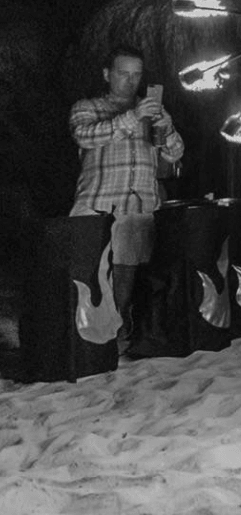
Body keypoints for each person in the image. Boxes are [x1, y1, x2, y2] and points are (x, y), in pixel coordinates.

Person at [69, 44, 184, 352]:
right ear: (107, 74)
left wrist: (166, 128)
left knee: (127, 273)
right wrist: (134, 116)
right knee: (89, 274)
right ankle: (85, 342)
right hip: (97, 202)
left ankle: (119, 332)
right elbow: (86, 136)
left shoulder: (153, 111)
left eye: (136, 75)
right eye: (123, 73)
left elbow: (175, 153)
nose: (130, 81)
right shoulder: (88, 107)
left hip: (139, 202)